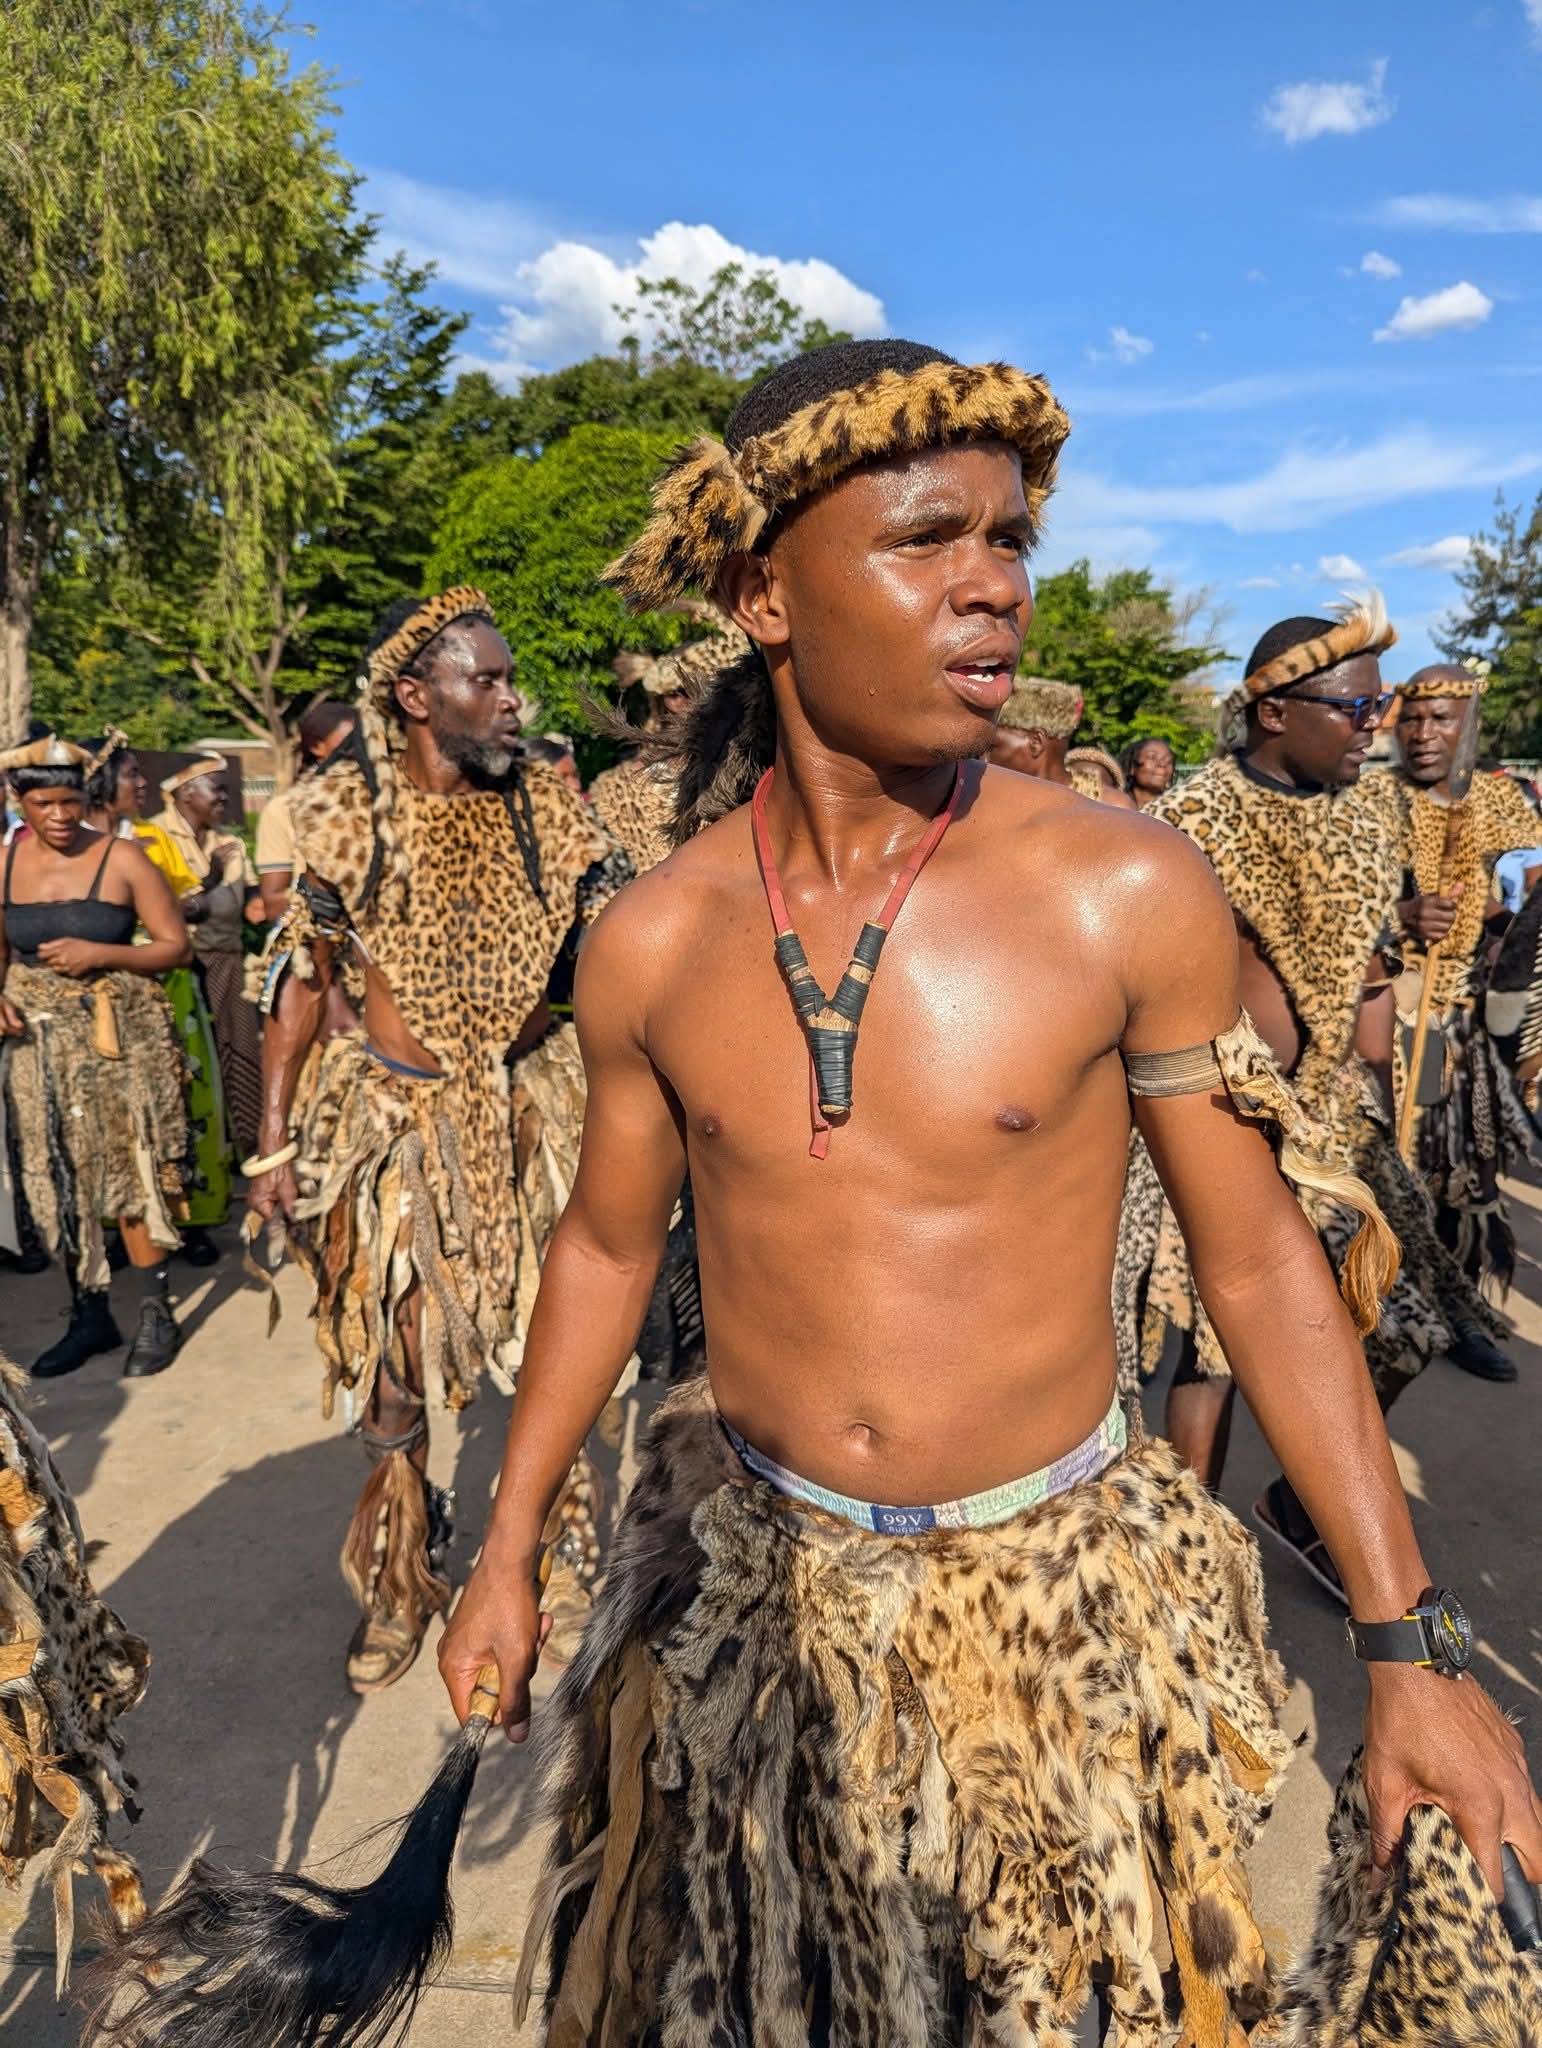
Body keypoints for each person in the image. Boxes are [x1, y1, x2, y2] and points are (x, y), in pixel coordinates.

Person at [436, 342, 1539, 2043]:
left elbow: (1254, 1259)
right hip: (761, 1614)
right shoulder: (654, 938)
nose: (995, 589)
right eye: (926, 539)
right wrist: (505, 1545)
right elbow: (602, 1241)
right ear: (762, 593)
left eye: (1010, 540)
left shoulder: (1119, 888)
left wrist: (1407, 1645)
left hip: (1059, 1626)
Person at [248, 591, 632, 1694]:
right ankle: (398, 1574)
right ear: (417, 697)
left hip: (532, 1115)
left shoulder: (550, 818)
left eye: (513, 681)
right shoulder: (342, 816)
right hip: (395, 1128)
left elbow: (621, 952)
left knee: (555, 1348)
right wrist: (274, 1148)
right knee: (394, 1364)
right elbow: (301, 980)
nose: (514, 700)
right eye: (489, 682)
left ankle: (549, 1555)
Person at [1119, 604, 1509, 1583]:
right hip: (1220, 1120)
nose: (1378, 722)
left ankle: (1294, 1501)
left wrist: (1389, 962)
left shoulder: (1363, 818)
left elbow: (1352, 974)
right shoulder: (1191, 825)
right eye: (1358, 704)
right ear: (1276, 713)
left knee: (1407, 1326)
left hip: (1332, 1126)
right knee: (1211, 1356)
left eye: (1384, 701)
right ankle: (1193, 1562)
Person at [0, 735, 192, 1377]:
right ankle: (91, 1314)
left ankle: (156, 1313)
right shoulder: (2, 862)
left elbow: (174, 948)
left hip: (117, 1045)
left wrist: (102, 954)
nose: (59, 816)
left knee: (129, 1173)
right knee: (59, 1176)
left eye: (71, 801)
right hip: (39, 1045)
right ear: (17, 800)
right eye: (44, 802)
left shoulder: (124, 858)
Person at [1381, 664, 1541, 1371]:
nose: (1423, 734)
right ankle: (1375, 1307)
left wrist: (1510, 928)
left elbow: (1532, 876)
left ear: (1469, 723)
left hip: (1467, 1017)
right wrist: (1402, 916)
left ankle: (1456, 1309)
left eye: (1441, 720)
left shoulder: (1501, 801)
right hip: (1386, 1016)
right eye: (1413, 719)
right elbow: (1326, 909)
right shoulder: (1371, 798)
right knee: (1389, 1172)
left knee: (1466, 1173)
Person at [87, 740, 233, 1268]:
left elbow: (184, 910)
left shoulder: (149, 839)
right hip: (101, 996)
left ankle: (190, 1219)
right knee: (114, 1115)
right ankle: (124, 1227)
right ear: (101, 782)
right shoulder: (68, 848)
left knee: (185, 1100)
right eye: (132, 775)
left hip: (168, 986)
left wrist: (207, 886)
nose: (143, 785)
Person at [150, 758, 265, 1159]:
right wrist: (212, 879)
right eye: (216, 788)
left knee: (242, 1052)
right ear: (186, 794)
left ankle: (249, 1149)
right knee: (188, 1056)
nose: (224, 797)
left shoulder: (225, 840)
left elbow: (253, 900)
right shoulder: (155, 836)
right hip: (182, 963)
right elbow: (174, 909)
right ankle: (192, 1156)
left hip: (229, 958)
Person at [588, 625, 750, 875]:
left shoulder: (742, 768)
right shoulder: (624, 785)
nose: (678, 704)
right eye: (671, 694)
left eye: (686, 692)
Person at [254, 701, 358, 923]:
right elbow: (273, 903)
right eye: (351, 742)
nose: (362, 751)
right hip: (315, 940)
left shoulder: (385, 804)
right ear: (317, 747)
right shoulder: (283, 810)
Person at [1065, 741, 1138, 808]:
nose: (1090, 788)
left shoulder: (1123, 805)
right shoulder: (1123, 804)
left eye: (1098, 783)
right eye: (1080, 779)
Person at [1121, 733, 1177, 808]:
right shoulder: (1116, 804)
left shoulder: (1176, 806)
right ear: (1132, 767)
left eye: (1168, 760)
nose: (1162, 764)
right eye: (1152, 757)